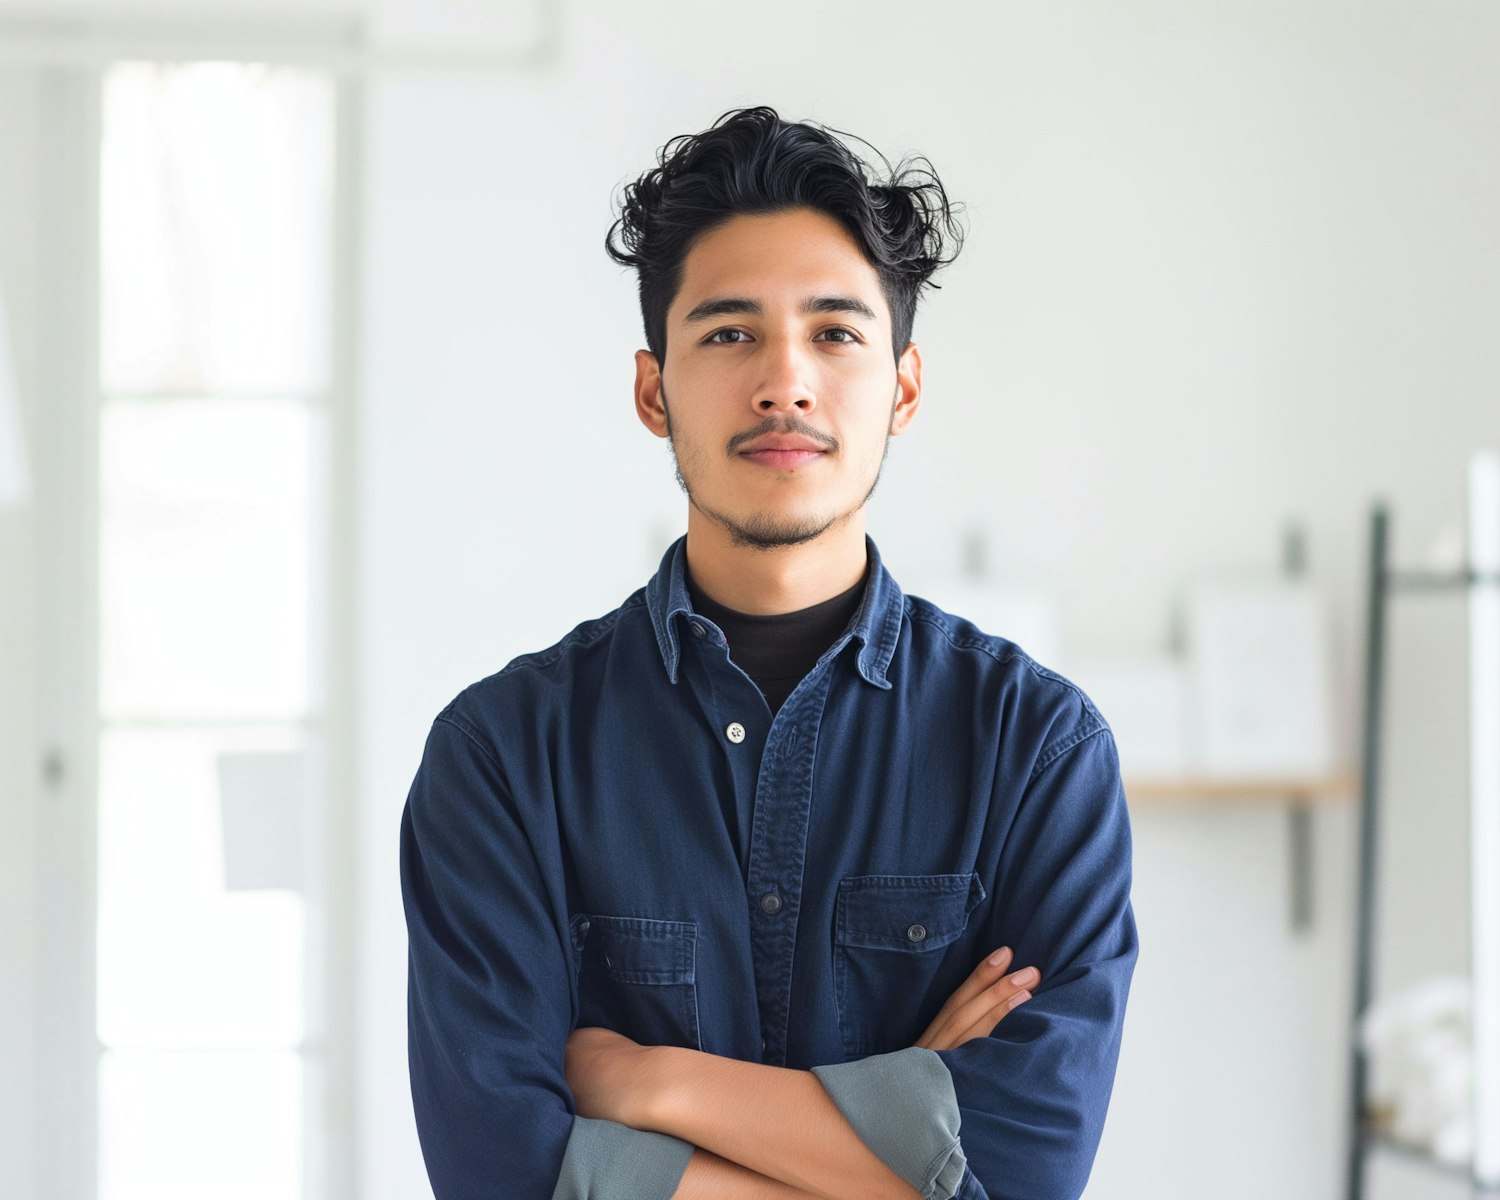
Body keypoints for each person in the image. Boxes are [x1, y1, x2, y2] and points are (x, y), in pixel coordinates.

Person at [400, 105, 1137, 1200]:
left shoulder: (1037, 750)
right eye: (730, 332)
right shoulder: (503, 755)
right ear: (655, 390)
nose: (784, 381)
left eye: (836, 332)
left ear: (904, 386)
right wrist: (907, 1138)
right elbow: (501, 1170)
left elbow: (1028, 1171)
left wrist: (646, 1083)